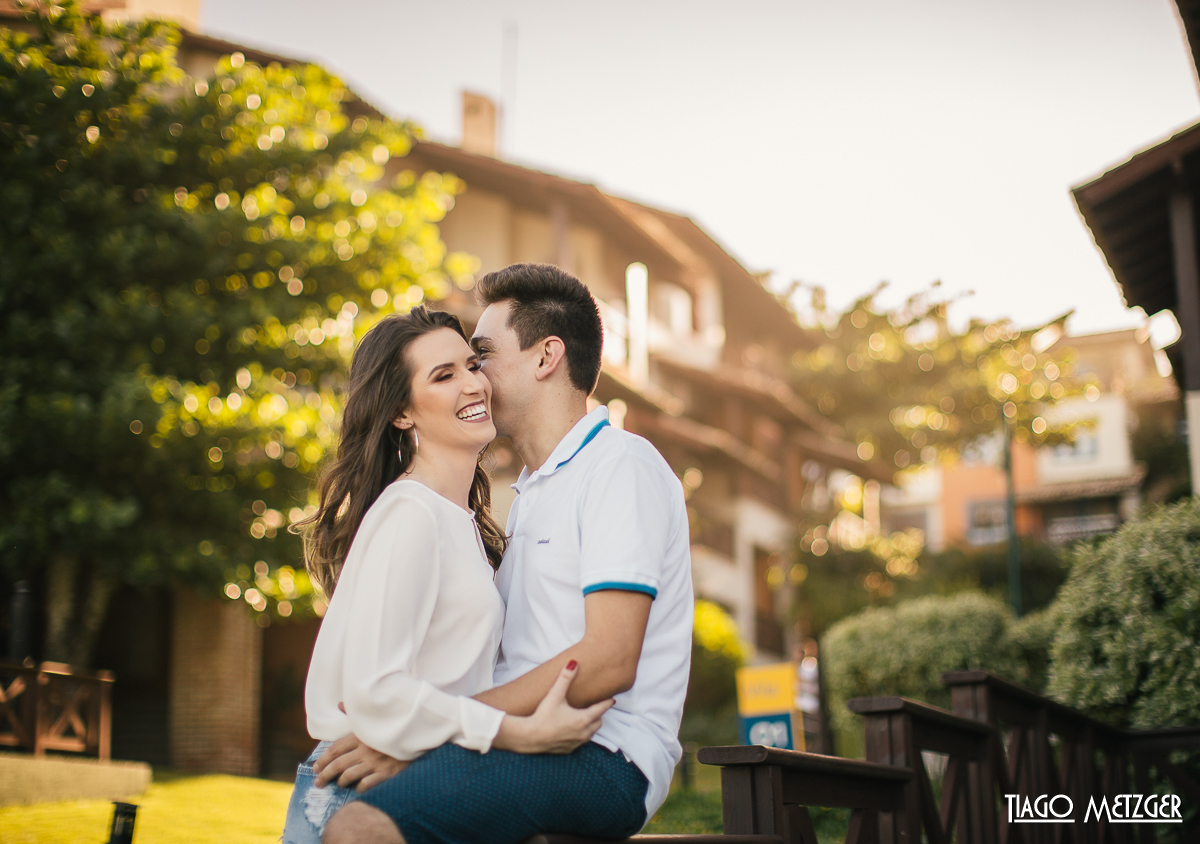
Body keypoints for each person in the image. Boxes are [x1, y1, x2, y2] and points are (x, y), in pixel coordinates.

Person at [322, 263, 694, 844]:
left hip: (602, 752)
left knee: (358, 827)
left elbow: (608, 659)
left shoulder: (620, 465)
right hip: (523, 739)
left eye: (482, 357)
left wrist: (434, 736)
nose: (477, 379)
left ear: (546, 358)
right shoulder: (531, 491)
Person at [281, 306, 612, 844]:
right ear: (401, 414)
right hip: (355, 795)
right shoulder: (410, 513)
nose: (473, 384)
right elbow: (376, 690)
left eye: (471, 364)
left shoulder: (460, 523)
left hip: (414, 785)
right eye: (443, 375)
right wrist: (516, 734)